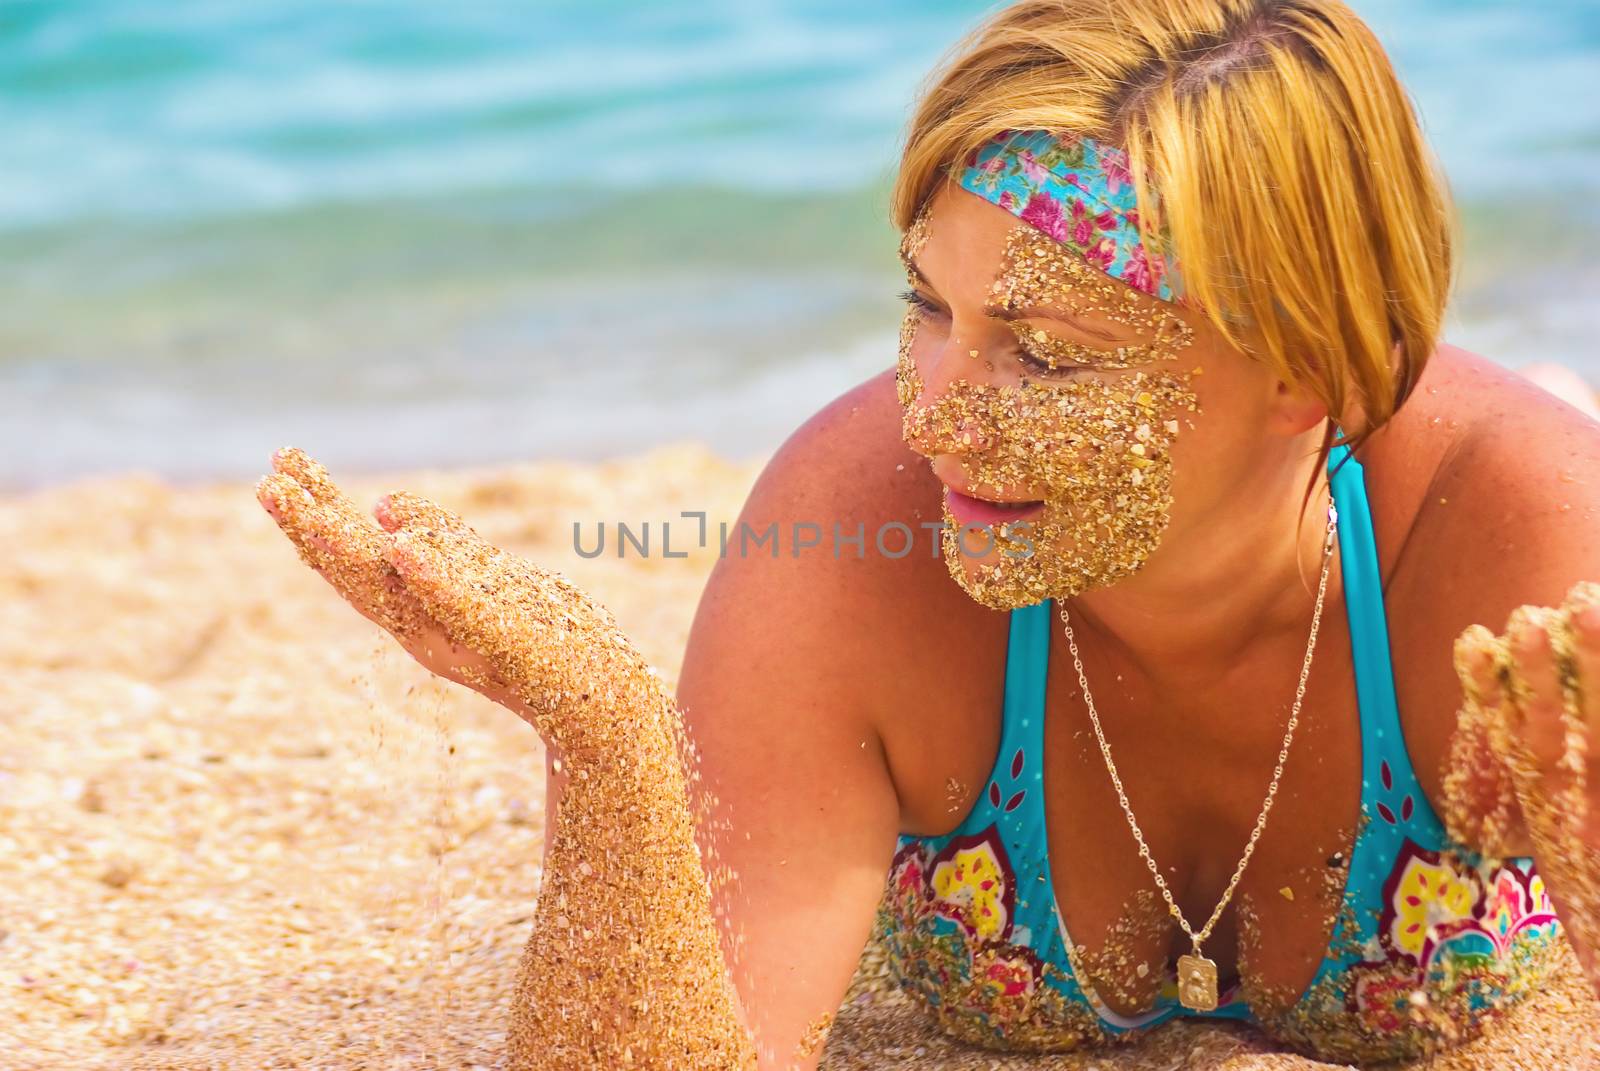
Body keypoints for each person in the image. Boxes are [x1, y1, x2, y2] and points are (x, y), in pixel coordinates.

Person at [257, 0, 1600, 1066]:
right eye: (926, 304)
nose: (941, 419)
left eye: (1047, 354)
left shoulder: (1519, 547)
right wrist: (607, 742)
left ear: (1308, 366)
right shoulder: (851, 527)